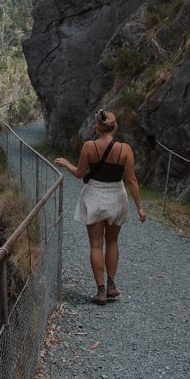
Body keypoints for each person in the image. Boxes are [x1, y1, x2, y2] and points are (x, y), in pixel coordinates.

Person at [55, 108, 146, 305]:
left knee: (96, 245)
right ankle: (112, 285)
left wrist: (65, 164)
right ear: (114, 126)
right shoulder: (125, 149)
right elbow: (131, 180)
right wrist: (139, 207)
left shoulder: (89, 147)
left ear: (97, 127)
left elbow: (79, 173)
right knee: (112, 242)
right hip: (116, 197)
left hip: (94, 195)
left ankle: (101, 290)